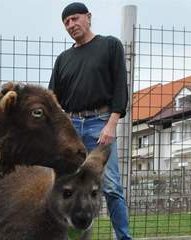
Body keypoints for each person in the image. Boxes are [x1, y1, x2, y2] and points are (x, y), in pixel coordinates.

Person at [48, 2, 132, 240]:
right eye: (66, 22)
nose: (71, 25)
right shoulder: (63, 59)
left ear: (88, 17)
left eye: (75, 19)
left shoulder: (109, 45)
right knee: (70, 188)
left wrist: (111, 124)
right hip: (72, 127)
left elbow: (119, 88)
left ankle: (123, 237)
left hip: (101, 123)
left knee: (111, 187)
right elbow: (53, 99)